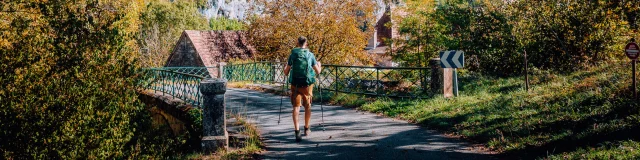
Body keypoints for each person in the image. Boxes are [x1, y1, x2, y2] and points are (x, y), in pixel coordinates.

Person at [284, 36, 322, 142]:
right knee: (308, 105)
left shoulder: (293, 55)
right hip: (307, 85)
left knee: (296, 107)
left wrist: (285, 66)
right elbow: (318, 71)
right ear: (306, 43)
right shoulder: (310, 55)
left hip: (295, 84)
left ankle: (297, 131)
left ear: (297, 43)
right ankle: (306, 128)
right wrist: (319, 65)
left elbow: (286, 72)